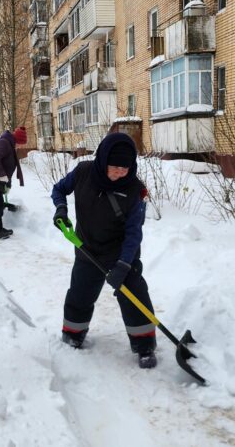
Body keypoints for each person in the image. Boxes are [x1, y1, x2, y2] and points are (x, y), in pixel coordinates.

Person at [51, 132, 157, 369]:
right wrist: (60, 209)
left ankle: (145, 345)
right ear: (103, 160)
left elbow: (134, 233)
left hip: (120, 252)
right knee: (81, 291)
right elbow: (59, 190)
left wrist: (123, 264)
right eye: (115, 167)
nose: (121, 173)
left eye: (126, 168)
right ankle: (73, 332)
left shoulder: (135, 191)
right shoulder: (83, 173)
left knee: (133, 293)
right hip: (87, 246)